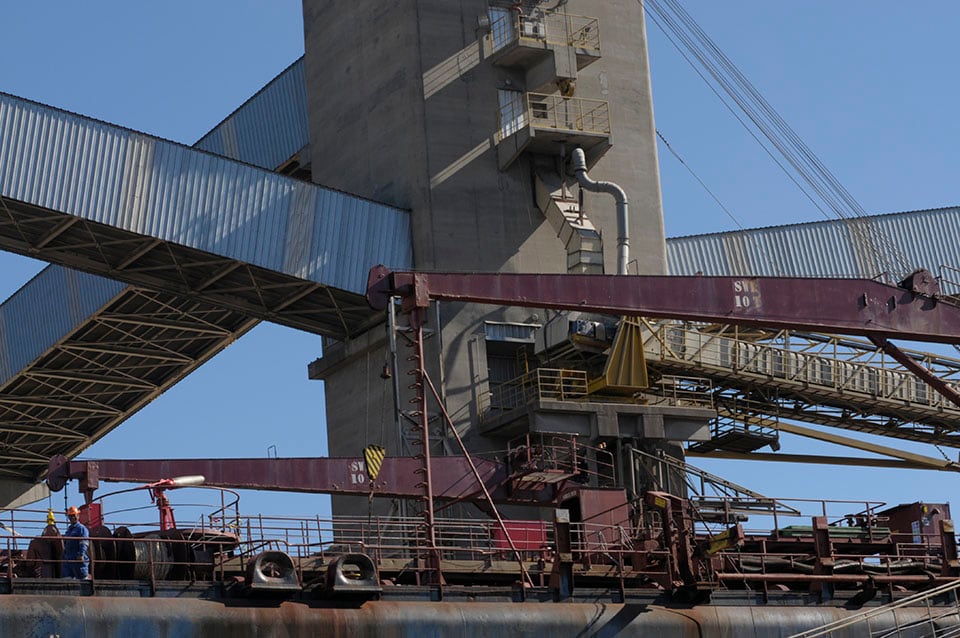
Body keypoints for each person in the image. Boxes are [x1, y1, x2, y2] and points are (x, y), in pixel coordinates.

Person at [62, 506, 89, 579]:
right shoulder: (69, 530)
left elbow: (84, 542)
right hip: (68, 559)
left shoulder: (81, 528)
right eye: (70, 516)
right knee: (68, 579)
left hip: (77, 558)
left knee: (82, 579)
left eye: (74, 515)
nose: (72, 518)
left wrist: (81, 554)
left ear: (78, 515)